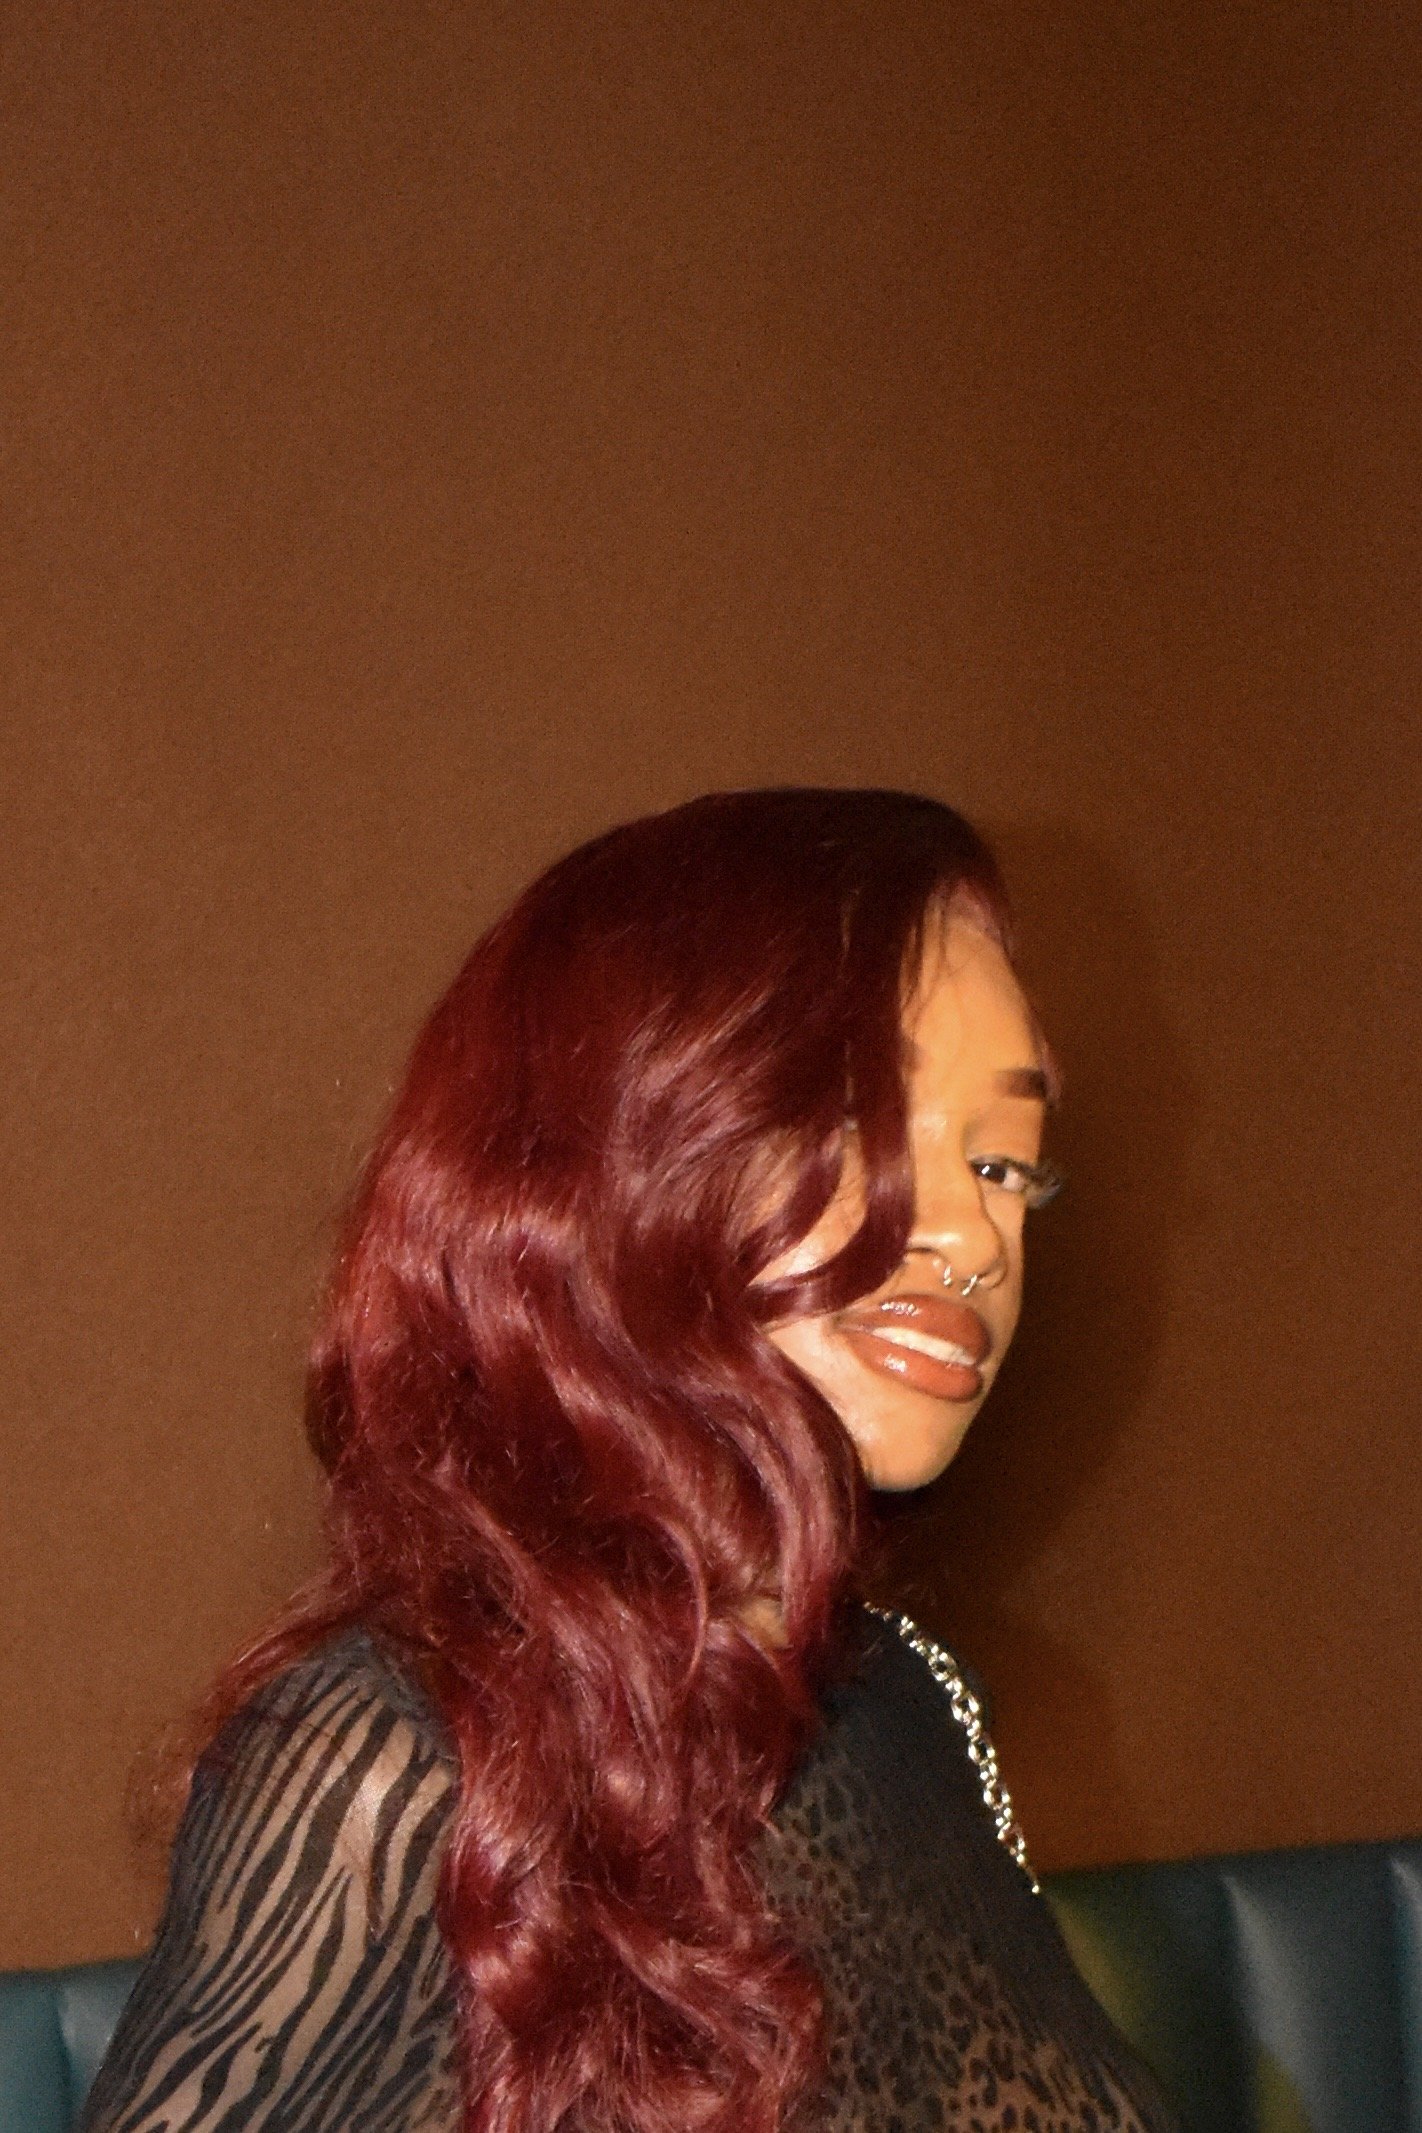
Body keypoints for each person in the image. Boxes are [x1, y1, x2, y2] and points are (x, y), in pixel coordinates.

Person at [83, 789, 1174, 2133]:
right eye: (859, 1126)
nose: (969, 1234)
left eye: (1007, 1160)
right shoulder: (393, 1752)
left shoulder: (913, 1709)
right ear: (618, 1161)